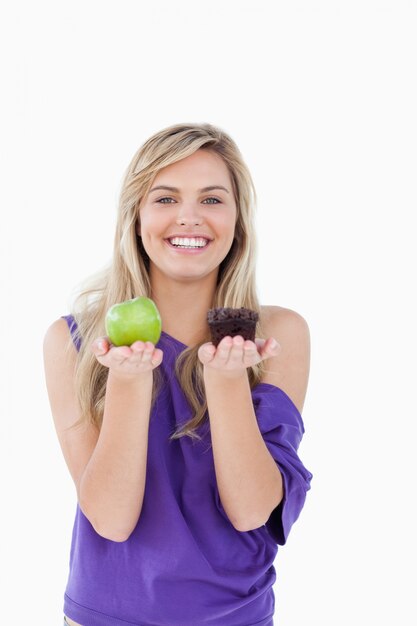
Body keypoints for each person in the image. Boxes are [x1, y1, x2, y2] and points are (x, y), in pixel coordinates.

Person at [43, 122, 312, 626]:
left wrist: (228, 381)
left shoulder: (278, 336)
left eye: (212, 200)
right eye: (165, 198)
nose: (189, 217)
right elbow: (112, 519)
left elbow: (253, 511)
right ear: (136, 217)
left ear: (238, 220)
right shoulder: (74, 342)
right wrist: (127, 382)